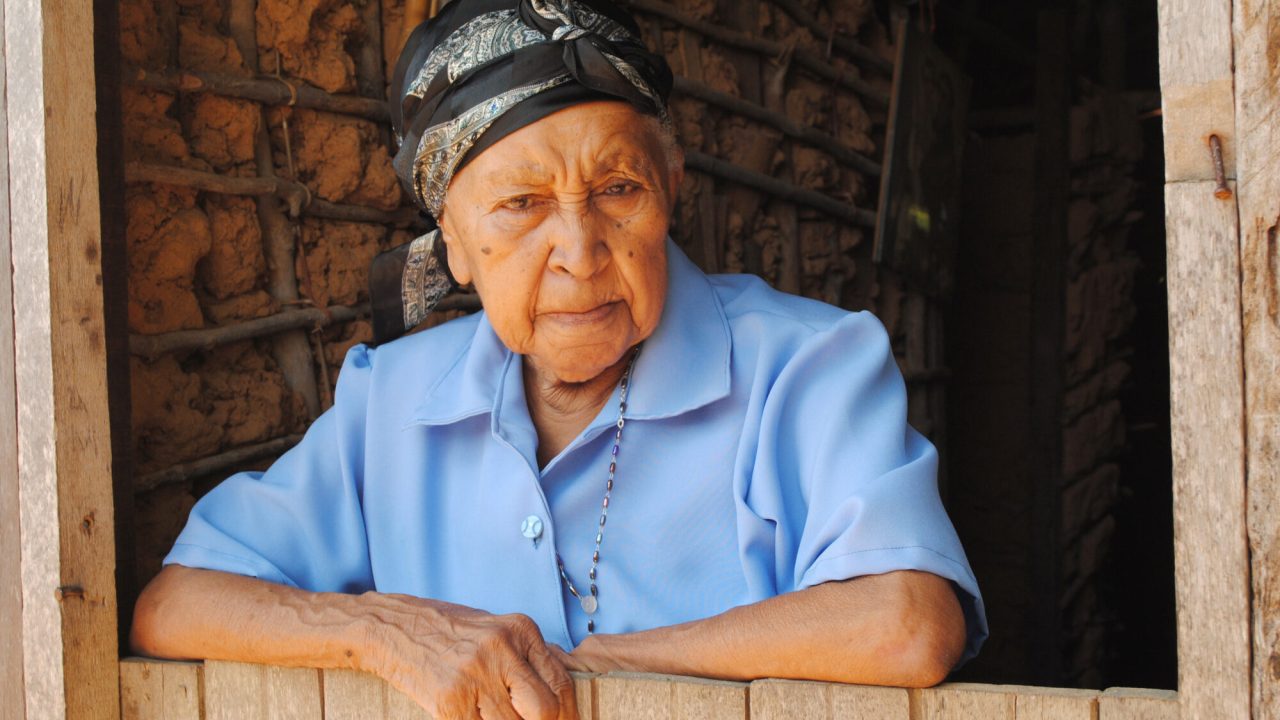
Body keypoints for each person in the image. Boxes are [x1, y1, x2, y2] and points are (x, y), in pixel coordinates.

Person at [130, 1, 988, 718]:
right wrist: (384, 629)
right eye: (520, 204)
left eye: (618, 190)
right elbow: (176, 606)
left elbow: (909, 621)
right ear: (455, 247)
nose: (579, 251)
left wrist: (607, 666)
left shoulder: (807, 368)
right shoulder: (388, 403)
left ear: (671, 186)